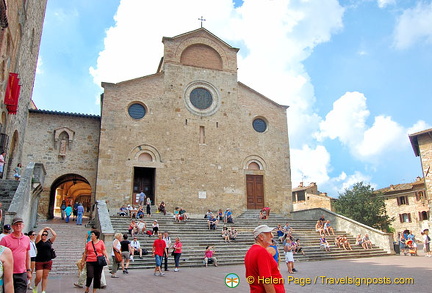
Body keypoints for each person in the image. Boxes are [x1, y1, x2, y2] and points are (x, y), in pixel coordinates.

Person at [244, 224, 284, 292]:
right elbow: (266, 279)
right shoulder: (261, 251)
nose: (272, 236)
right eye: (269, 234)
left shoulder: (250, 251)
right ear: (261, 237)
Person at [0, 217, 32, 293]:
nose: (18, 226)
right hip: (9, 272)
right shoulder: (5, 239)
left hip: (22, 272)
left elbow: (27, 255)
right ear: (12, 226)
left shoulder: (26, 239)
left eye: (20, 224)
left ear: (23, 226)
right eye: (16, 225)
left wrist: (28, 270)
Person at [33, 227, 57, 293]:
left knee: (45, 276)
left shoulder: (49, 241)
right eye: (43, 234)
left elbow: (55, 235)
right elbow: (38, 235)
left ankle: (43, 290)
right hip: (39, 261)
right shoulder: (38, 241)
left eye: (45, 235)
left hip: (48, 261)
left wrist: (50, 229)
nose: (44, 236)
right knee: (38, 276)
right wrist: (43, 229)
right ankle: (36, 285)